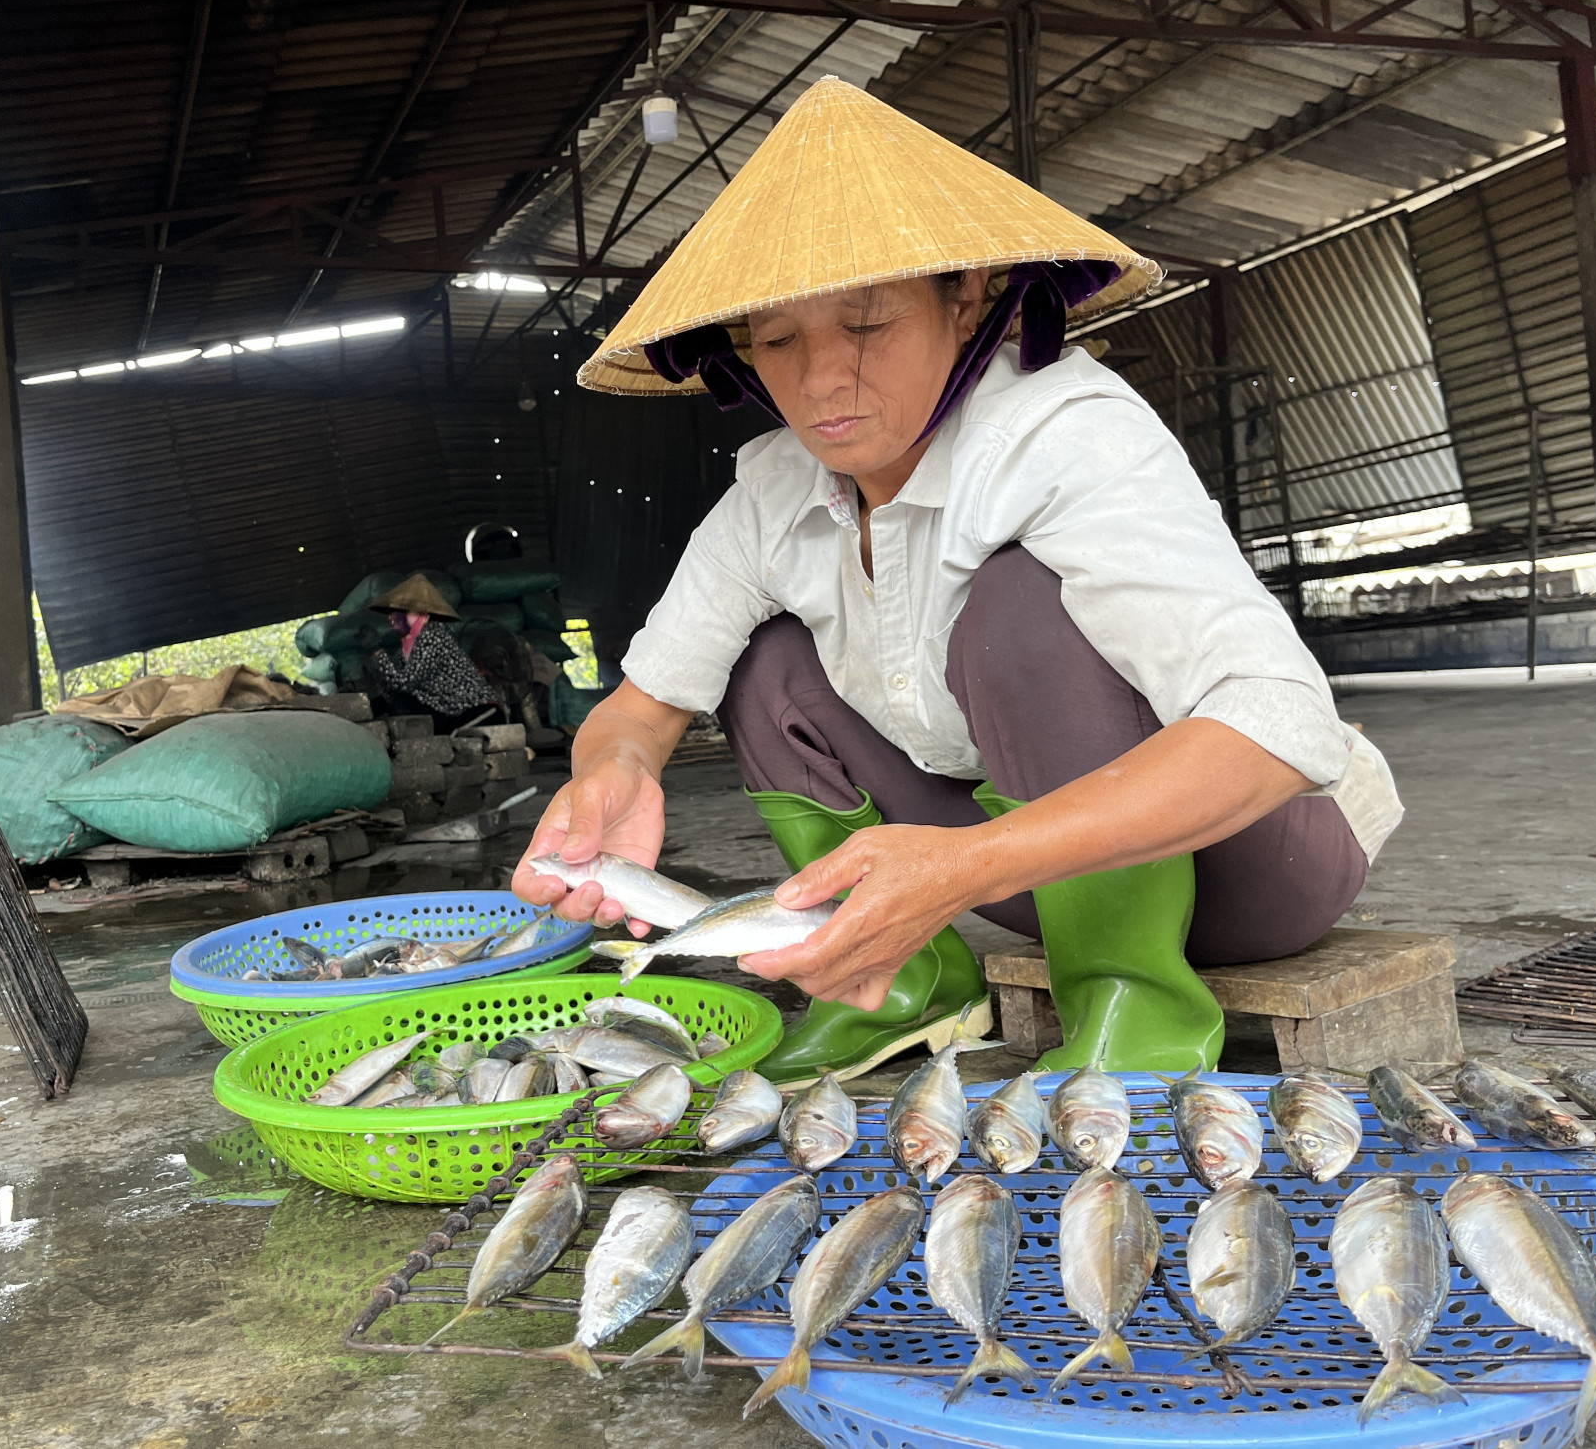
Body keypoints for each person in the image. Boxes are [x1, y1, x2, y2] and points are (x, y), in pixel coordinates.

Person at [513, 78, 1402, 1084]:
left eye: (864, 324)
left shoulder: (1062, 432)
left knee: (1019, 611)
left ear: (963, 295)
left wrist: (966, 864)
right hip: (1023, 874)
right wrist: (612, 774)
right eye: (776, 341)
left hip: (1251, 872)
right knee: (764, 665)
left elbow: (1279, 723)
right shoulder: (769, 494)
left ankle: (1134, 1015)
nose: (818, 381)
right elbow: (640, 707)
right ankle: (902, 983)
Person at [369, 574, 500, 729]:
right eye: (390, 613)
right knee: (393, 700)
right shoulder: (405, 648)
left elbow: (404, 684)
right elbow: (392, 687)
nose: (391, 618)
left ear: (423, 616)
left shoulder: (432, 635)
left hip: (477, 711)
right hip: (450, 713)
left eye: (399, 611)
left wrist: (377, 652)